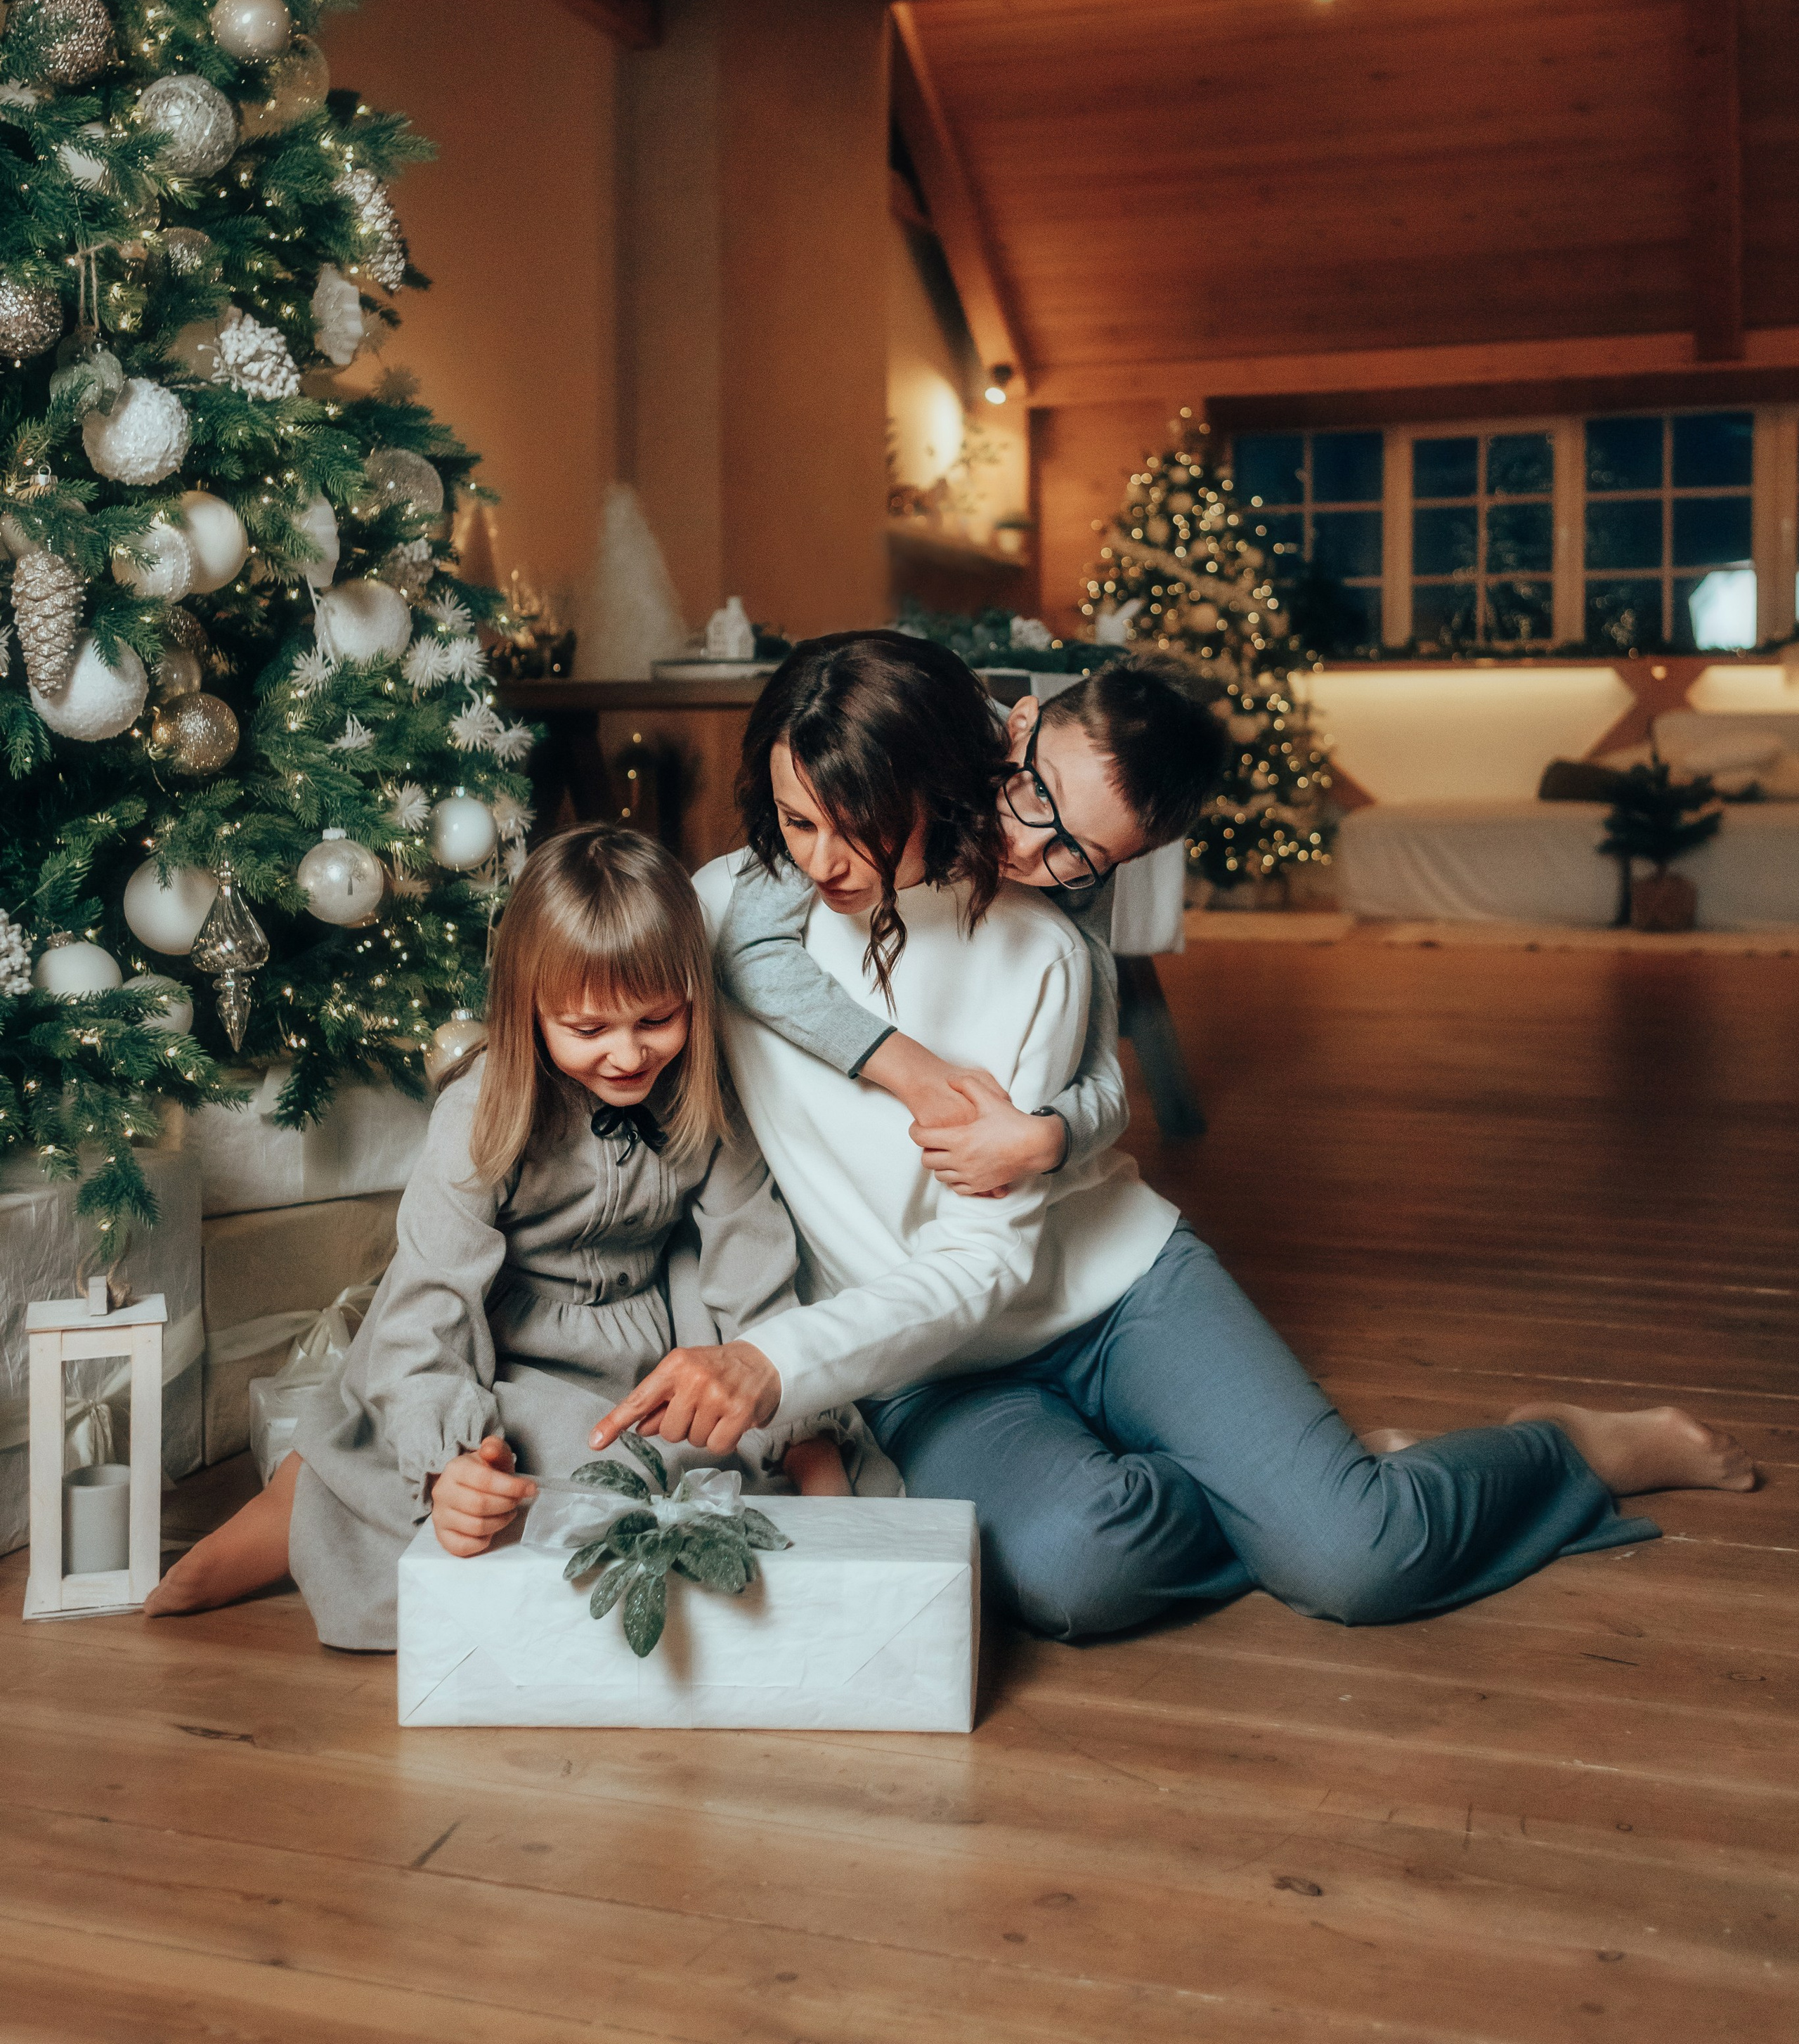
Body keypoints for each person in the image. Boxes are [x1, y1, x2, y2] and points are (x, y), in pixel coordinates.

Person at [592, 636, 1756, 1644]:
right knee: (1076, 1572)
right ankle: (1305, 1490)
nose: (822, 859)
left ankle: (1555, 1453)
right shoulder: (724, 915)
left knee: (1359, 1566)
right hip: (924, 1362)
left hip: (1116, 1292)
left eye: (858, 826)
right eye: (798, 821)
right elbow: (607, 1021)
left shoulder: (1042, 947)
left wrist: (776, 1358)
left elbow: (1002, 1240)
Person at [147, 824, 854, 1646]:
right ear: (529, 1009)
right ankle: (297, 1505)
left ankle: (319, 1484)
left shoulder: (707, 1097)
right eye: (588, 1029)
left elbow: (753, 1270)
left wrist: (794, 1422)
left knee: (711, 1470)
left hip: (645, 1342)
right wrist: (453, 1462)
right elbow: (430, 1307)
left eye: (656, 1019)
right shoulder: (481, 1111)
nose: (629, 1055)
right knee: (496, 1482)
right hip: (498, 1341)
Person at [717, 635, 1227, 1196]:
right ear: (1020, 725)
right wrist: (914, 1070)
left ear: (1118, 860)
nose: (1026, 847)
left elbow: (1102, 1082)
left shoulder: (1083, 873)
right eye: (1038, 793)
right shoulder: (913, 736)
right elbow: (750, 942)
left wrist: (1047, 1141)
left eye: (1075, 851)